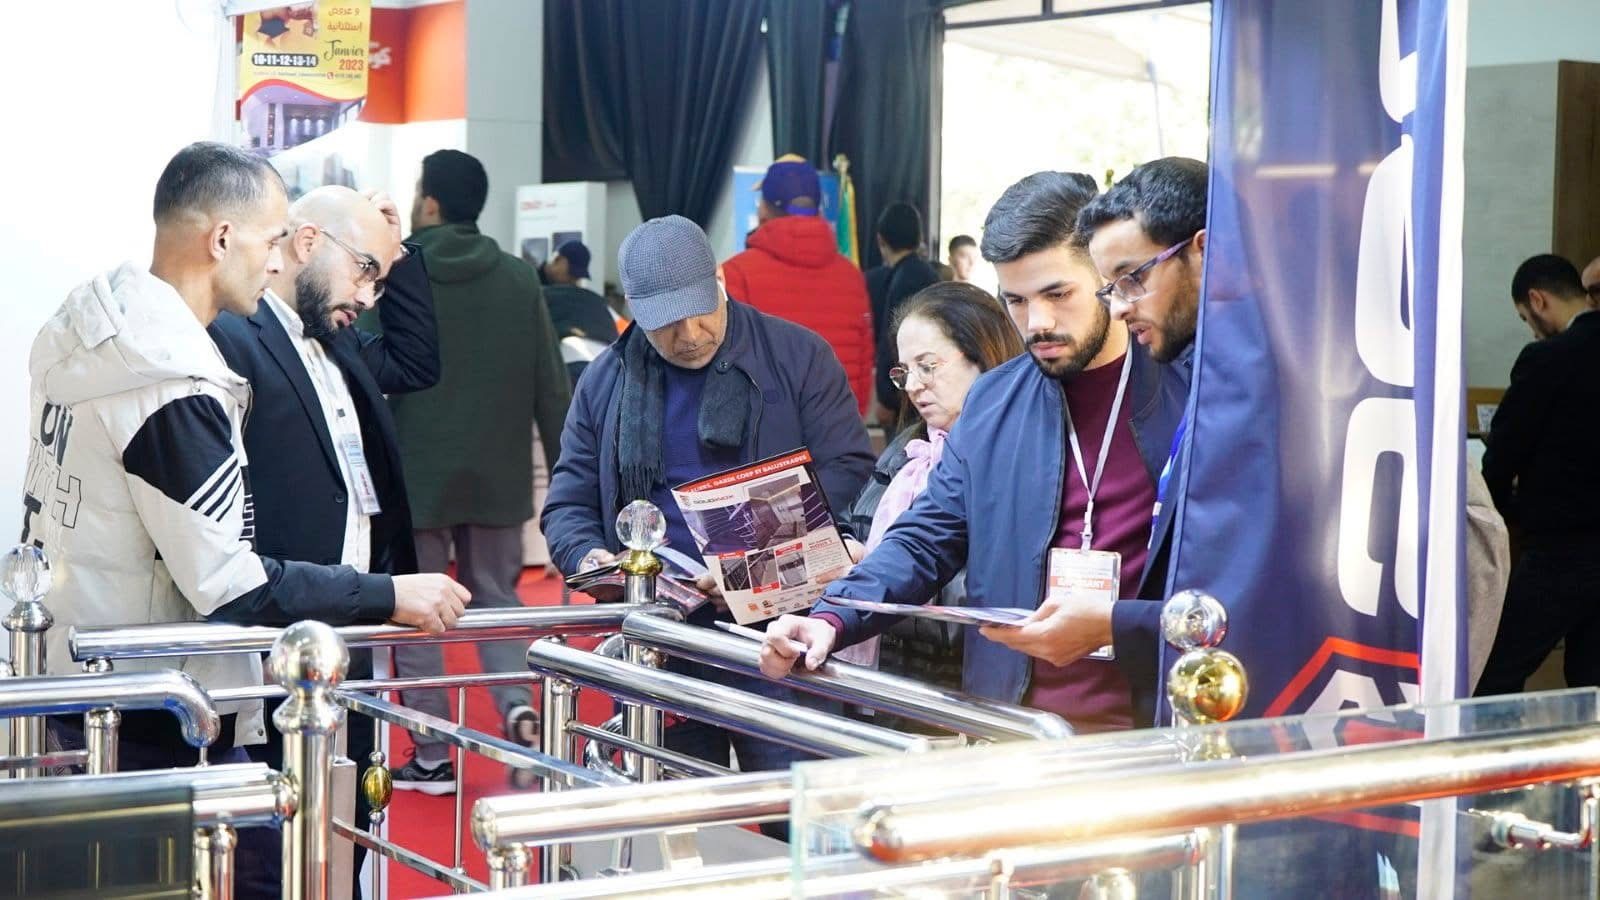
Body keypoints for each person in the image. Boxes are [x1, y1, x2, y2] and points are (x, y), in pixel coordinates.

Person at [22, 141, 468, 900]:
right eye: (270, 241)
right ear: (222, 238)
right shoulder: (172, 376)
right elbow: (228, 582)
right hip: (153, 701)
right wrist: (385, 595)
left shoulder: (94, 328)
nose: (277, 261)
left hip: (89, 677)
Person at [761, 172, 1188, 733]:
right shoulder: (993, 401)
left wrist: (1116, 625)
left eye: (1058, 294)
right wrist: (831, 617)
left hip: (1151, 729)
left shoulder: (1187, 394)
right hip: (1011, 726)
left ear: (1104, 275)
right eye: (1015, 301)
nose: (1037, 323)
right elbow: (925, 536)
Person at [543, 215, 873, 800]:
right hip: (661, 637)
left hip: (782, 634)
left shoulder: (797, 356)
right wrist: (592, 559)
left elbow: (847, 474)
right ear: (634, 312)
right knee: (675, 816)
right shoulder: (606, 380)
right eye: (667, 324)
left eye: (701, 311)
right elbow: (568, 502)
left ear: (719, 280)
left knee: (797, 809)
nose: (691, 334)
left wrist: (753, 561)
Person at [207, 184, 439, 887]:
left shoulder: (338, 340)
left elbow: (419, 361)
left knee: (346, 832)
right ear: (307, 243)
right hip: (276, 630)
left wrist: (397, 254)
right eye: (364, 270)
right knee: (274, 849)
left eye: (378, 280)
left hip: (350, 628)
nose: (368, 295)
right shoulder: (235, 335)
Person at [379, 149, 572, 794]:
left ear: (429, 202)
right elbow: (550, 385)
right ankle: (517, 707)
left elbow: (365, 366)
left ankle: (433, 753)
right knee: (496, 598)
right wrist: (569, 476)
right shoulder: (518, 278)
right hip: (498, 473)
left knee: (417, 612)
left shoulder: (398, 271)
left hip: (416, 475)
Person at [833, 282, 1024, 710]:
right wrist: (845, 548)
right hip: (879, 683)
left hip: (956, 692)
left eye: (928, 366)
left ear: (984, 356)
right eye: (904, 372)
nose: (914, 386)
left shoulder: (1014, 457)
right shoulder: (908, 447)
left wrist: (887, 572)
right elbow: (856, 518)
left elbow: (997, 591)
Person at [1477, 254, 1600, 694]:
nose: (1531, 329)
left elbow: (1504, 452)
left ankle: (1493, 744)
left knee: (1494, 672)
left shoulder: (1547, 358)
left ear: (1537, 300)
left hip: (1562, 549)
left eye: (1525, 317)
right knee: (1590, 682)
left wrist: (1497, 509)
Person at [723, 156, 873, 415]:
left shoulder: (735, 273)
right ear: (818, 210)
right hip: (839, 426)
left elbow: (727, 370)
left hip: (766, 433)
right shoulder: (852, 276)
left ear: (763, 209)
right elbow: (863, 367)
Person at [867, 203, 940, 426]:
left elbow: (895, 342)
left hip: (908, 396)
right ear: (919, 237)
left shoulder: (906, 280)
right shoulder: (925, 273)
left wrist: (887, 396)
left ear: (881, 240)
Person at [541, 239, 619, 385]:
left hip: (573, 365)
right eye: (571, 274)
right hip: (606, 365)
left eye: (576, 276)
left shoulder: (541, 295)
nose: (573, 280)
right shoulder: (595, 301)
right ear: (558, 260)